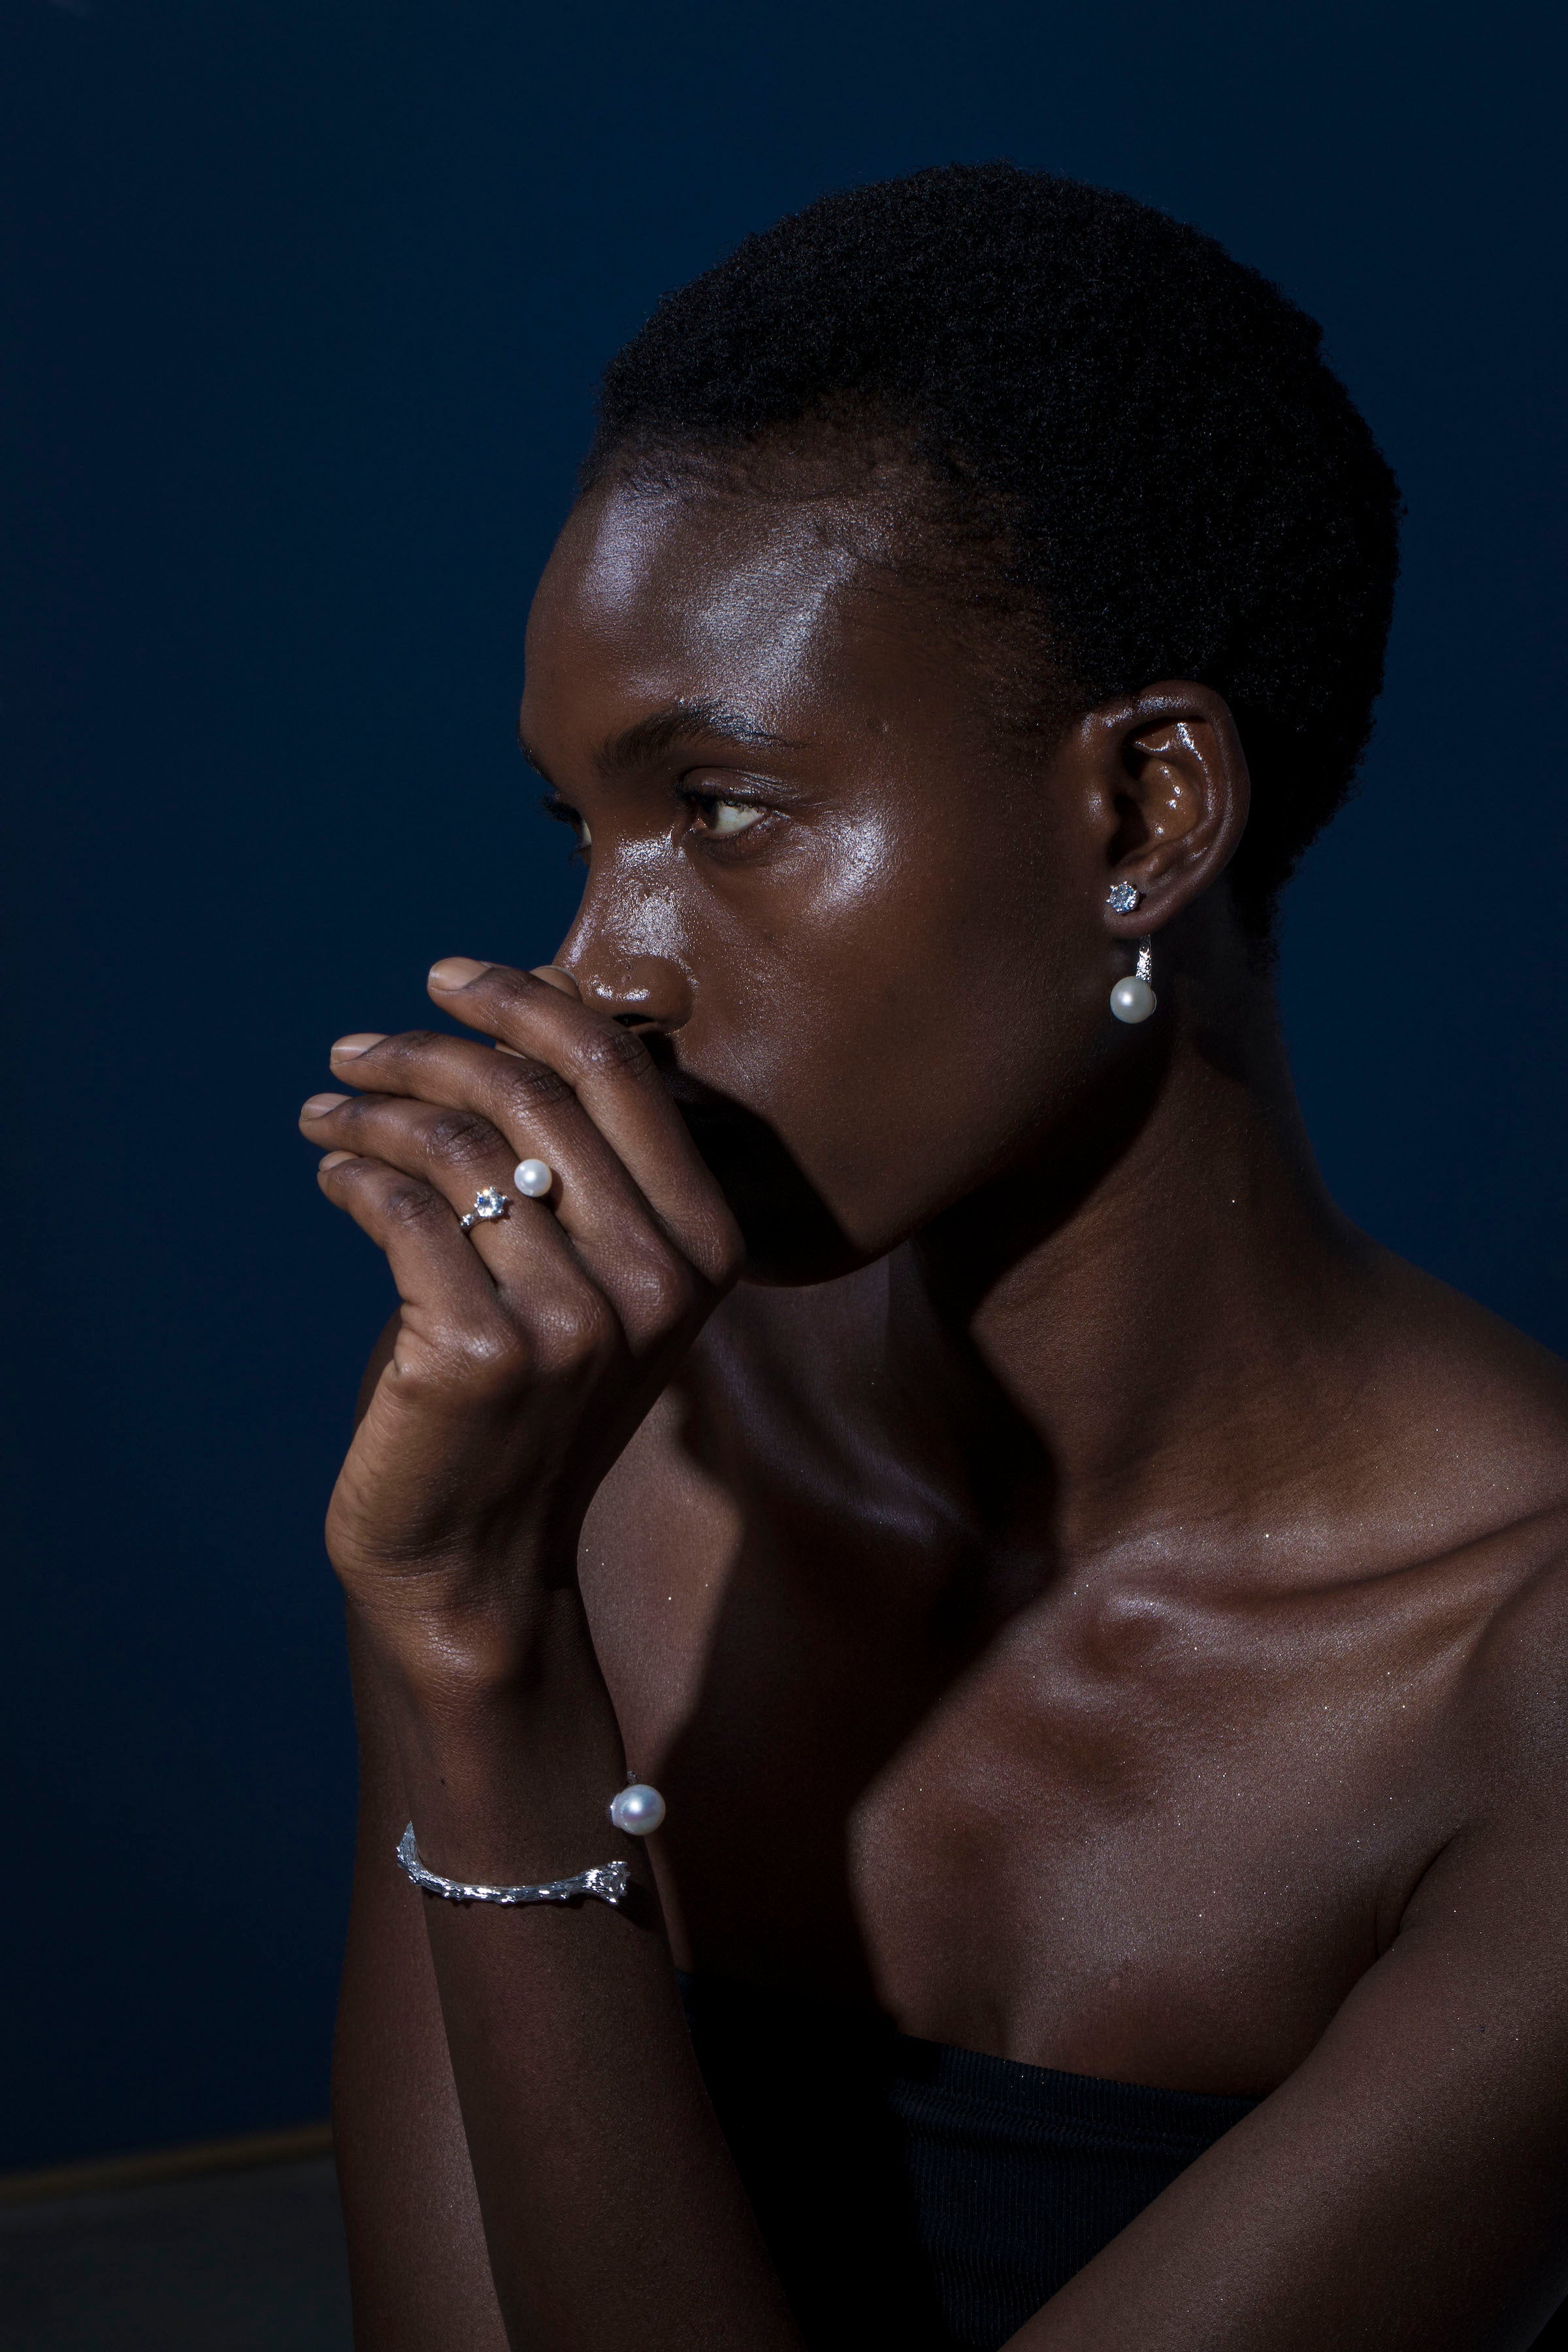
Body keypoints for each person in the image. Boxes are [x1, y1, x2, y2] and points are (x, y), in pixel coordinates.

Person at [297, 165, 1568, 2349]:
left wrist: (486, 1685)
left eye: (718, 809)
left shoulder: (1520, 1684)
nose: (595, 975)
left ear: (1145, 812)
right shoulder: (587, 1465)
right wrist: (460, 1634)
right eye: (576, 832)